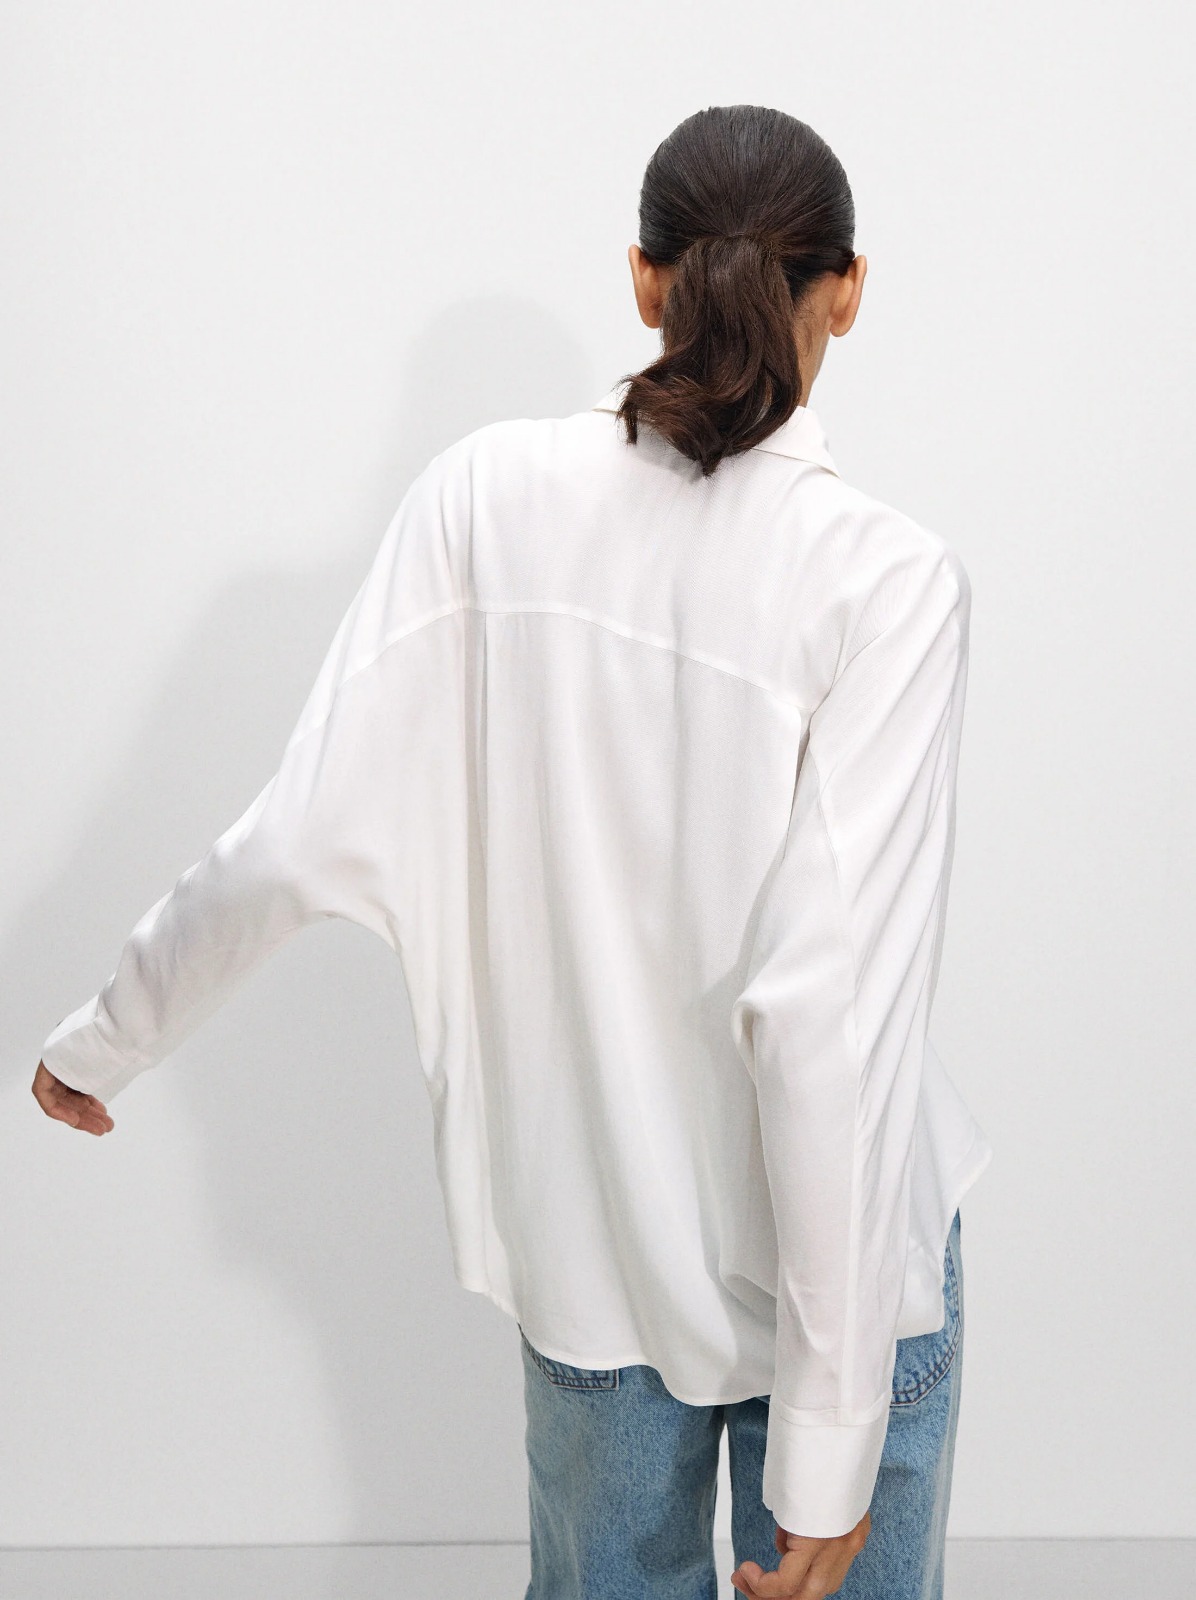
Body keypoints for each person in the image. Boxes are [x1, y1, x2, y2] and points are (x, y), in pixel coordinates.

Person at [34, 103, 993, 1600]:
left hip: (595, 1256)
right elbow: (830, 1021)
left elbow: (290, 842)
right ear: (850, 291)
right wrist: (829, 1440)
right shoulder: (887, 580)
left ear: (643, 277)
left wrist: (108, 1037)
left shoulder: (481, 498)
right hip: (853, 1288)